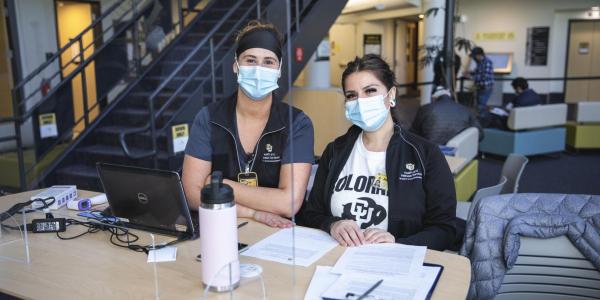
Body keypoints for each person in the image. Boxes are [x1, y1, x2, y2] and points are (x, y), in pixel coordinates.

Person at [299, 54, 456, 251]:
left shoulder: (425, 154)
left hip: (397, 264)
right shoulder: (335, 151)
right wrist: (332, 224)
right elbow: (311, 213)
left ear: (391, 95)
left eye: (370, 91)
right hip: (337, 259)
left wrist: (397, 244)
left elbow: (445, 229)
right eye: (351, 95)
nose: (360, 101)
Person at [182, 20, 314, 228]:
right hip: (219, 227)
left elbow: (289, 203)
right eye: (250, 60)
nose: (258, 69)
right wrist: (252, 212)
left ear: (279, 69)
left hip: (277, 234)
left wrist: (222, 186)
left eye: (268, 62)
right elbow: (192, 194)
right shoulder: (208, 118)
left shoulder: (297, 123)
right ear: (236, 66)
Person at [411, 87, 483, 145]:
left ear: (434, 98)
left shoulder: (426, 108)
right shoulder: (465, 109)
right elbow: (480, 134)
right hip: (456, 151)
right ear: (449, 96)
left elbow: (413, 132)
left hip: (430, 150)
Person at [465, 47, 494, 114]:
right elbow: (478, 71)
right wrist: (470, 72)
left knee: (481, 106)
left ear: (479, 55)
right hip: (480, 87)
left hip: (485, 88)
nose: (474, 58)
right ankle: (480, 120)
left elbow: (485, 76)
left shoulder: (487, 62)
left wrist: (471, 77)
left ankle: (482, 122)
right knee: (479, 106)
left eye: (474, 56)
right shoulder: (480, 62)